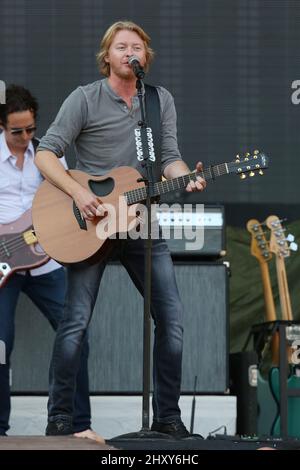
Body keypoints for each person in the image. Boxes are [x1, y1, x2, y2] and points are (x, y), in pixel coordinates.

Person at [35, 20, 206, 439]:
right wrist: (78, 193)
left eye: (137, 47)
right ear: (107, 56)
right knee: (75, 321)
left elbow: (169, 157)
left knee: (172, 319)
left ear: (145, 57)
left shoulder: (157, 100)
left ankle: (167, 417)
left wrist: (187, 177)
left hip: (139, 220)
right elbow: (45, 154)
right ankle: (59, 420)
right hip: (90, 223)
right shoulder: (85, 98)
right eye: (121, 46)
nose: (130, 52)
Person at [0, 84, 103, 442]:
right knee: (0, 343)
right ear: (1, 126)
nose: (26, 136)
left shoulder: (49, 155)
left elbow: (67, 201)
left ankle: (78, 424)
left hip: (46, 263)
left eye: (30, 128)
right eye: (17, 131)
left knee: (76, 334)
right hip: (3, 267)